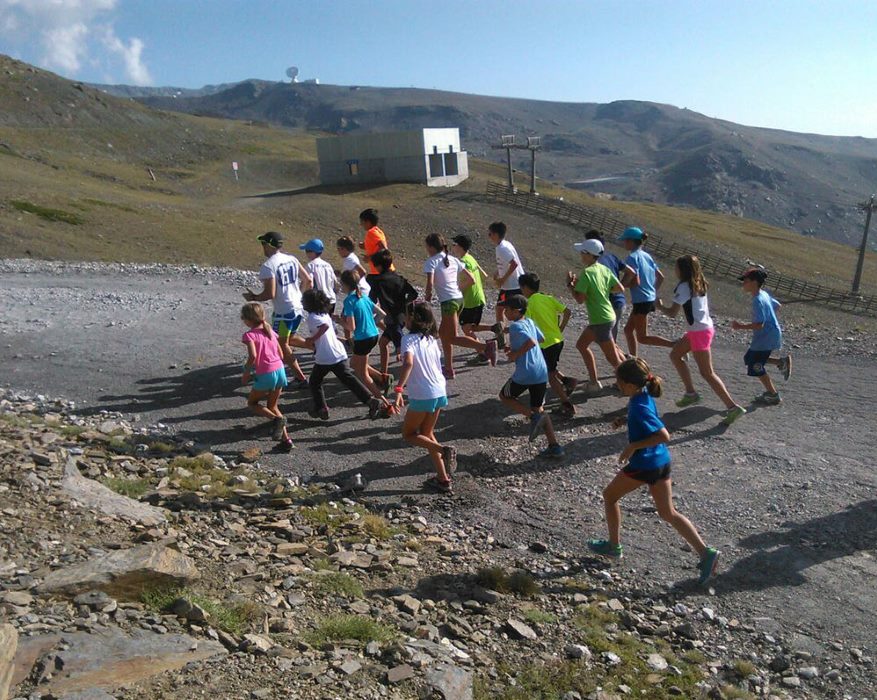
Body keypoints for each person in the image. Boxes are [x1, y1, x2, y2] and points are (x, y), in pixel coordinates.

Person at [587, 358, 720, 585]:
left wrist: (632, 446)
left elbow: (663, 435)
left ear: (629, 384)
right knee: (668, 513)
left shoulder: (638, 406)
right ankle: (706, 553)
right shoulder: (642, 396)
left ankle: (614, 546)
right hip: (661, 461)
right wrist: (625, 420)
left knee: (609, 497)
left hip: (645, 464)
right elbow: (645, 418)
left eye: (619, 381)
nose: (616, 384)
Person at [657, 255, 747, 425]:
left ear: (682, 270)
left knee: (707, 373)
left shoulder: (684, 286)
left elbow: (672, 313)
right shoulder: (700, 283)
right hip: (702, 329)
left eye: (676, 267)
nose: (674, 270)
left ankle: (733, 407)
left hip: (698, 332)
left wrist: (659, 306)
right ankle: (690, 393)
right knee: (675, 355)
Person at [289, 289, 384, 420]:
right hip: (338, 353)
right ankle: (370, 400)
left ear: (309, 304)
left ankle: (321, 408)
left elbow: (324, 328)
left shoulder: (312, 317)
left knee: (314, 382)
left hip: (325, 356)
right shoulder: (324, 314)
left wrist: (312, 339)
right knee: (349, 380)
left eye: (304, 301)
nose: (302, 303)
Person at [394, 302, 456, 493]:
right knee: (427, 434)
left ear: (413, 318)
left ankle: (444, 450)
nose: (404, 318)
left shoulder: (408, 339)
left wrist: (398, 389)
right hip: (439, 390)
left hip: (423, 393)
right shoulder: (431, 339)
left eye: (406, 315)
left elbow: (409, 363)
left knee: (409, 434)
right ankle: (443, 479)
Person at [497, 294, 565, 458]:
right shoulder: (530, 322)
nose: (504, 312)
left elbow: (532, 342)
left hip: (526, 372)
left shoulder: (515, 327)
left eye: (507, 309)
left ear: (516, 311)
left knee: (504, 396)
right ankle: (555, 446)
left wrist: (516, 354)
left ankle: (533, 417)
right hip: (541, 371)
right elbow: (540, 338)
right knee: (539, 407)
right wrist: (514, 350)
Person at [243, 231, 312, 390]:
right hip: (297, 308)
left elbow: (270, 293)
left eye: (263, 244)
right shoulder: (292, 258)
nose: (262, 247)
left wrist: (254, 297)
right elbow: (308, 280)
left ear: (268, 245)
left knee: (281, 343)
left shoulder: (268, 266)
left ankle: (301, 378)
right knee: (290, 338)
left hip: (283, 312)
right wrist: (298, 295)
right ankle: (317, 348)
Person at [423, 233, 498, 379]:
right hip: (459, 299)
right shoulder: (453, 259)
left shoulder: (431, 262)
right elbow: (470, 278)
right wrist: (454, 287)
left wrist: (427, 298)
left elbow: (429, 283)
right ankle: (449, 369)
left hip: (449, 303)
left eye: (427, 247)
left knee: (452, 337)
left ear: (431, 247)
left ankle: (485, 347)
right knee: (445, 336)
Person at [567, 239, 626, 393]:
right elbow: (620, 288)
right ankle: (594, 382)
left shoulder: (587, 273)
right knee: (582, 345)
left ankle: (634, 383)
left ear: (588, 255)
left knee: (613, 359)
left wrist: (570, 287)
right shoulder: (603, 269)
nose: (580, 254)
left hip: (600, 319)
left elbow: (579, 299)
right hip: (607, 316)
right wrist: (601, 292)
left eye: (582, 252)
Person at [518, 272, 577, 417]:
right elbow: (568, 312)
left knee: (548, 375)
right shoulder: (548, 298)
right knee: (548, 367)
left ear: (525, 287)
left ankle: (567, 405)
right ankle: (567, 381)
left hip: (545, 344)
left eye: (521, 288)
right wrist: (561, 328)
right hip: (558, 340)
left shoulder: (529, 303)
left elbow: (528, 326)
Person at [731, 267, 791, 405]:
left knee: (755, 365)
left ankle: (773, 394)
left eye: (745, 281)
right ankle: (781, 362)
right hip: (769, 335)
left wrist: (740, 326)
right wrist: (768, 311)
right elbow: (778, 306)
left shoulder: (758, 300)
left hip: (766, 337)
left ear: (754, 282)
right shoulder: (763, 294)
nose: (743, 283)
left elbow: (759, 324)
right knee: (749, 358)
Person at [239, 302, 292, 449]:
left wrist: (246, 374)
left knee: (252, 403)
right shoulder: (270, 332)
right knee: (273, 405)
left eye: (243, 317)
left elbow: (252, 356)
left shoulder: (249, 335)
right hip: (280, 371)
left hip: (266, 373)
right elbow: (281, 354)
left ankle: (276, 420)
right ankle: (286, 440)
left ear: (248, 319)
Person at [340, 269, 393, 409]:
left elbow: (350, 327)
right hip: (373, 335)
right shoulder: (363, 296)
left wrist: (338, 321)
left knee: (361, 373)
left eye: (341, 284)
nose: (340, 286)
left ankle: (382, 401)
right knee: (354, 364)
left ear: (346, 285)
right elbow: (382, 314)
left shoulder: (348, 301)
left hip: (363, 339)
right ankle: (383, 378)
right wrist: (370, 324)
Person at [617, 227, 674, 357]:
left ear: (632, 241)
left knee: (642, 337)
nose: (624, 243)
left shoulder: (632, 257)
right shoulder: (647, 256)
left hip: (642, 300)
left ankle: (675, 344)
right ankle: (634, 359)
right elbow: (660, 277)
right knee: (628, 330)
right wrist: (652, 292)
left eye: (625, 240)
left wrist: (617, 287)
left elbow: (632, 278)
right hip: (646, 299)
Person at [451, 234, 504, 364]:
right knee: (471, 326)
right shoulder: (470, 257)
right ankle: (493, 328)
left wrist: (457, 290)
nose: (452, 246)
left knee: (466, 329)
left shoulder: (463, 262)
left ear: (460, 247)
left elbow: (471, 280)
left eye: (454, 244)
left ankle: (483, 354)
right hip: (479, 298)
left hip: (470, 301)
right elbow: (483, 274)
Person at [367, 249, 419, 377]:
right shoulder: (399, 278)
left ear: (378, 266)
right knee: (383, 343)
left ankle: (413, 374)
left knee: (402, 351)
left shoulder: (377, 282)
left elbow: (371, 301)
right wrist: (405, 303)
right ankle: (384, 373)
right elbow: (414, 293)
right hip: (401, 316)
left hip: (391, 319)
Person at [585, 229, 633, 342]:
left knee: (608, 344)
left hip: (608, 305)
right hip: (619, 302)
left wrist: (613, 289)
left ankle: (623, 359)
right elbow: (631, 272)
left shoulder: (596, 263)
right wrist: (620, 287)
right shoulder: (611, 257)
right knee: (607, 341)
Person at [488, 221, 525, 327]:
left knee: (514, 311)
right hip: (507, 287)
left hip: (513, 286)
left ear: (495, 234)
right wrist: (497, 272)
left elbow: (514, 264)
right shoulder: (503, 245)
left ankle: (515, 331)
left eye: (490, 234)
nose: (489, 237)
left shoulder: (502, 248)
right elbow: (505, 262)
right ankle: (501, 333)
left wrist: (503, 279)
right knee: (500, 308)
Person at [300, 238, 338, 314]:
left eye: (307, 251)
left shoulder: (310, 266)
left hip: (319, 301)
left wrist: (301, 295)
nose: (306, 253)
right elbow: (335, 283)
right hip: (331, 300)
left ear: (312, 252)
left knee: (317, 324)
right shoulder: (328, 265)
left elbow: (309, 283)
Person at [359, 208, 393, 274]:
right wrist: (365, 245)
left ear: (368, 222)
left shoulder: (372, 232)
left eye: (362, 222)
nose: (361, 224)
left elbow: (384, 249)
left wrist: (370, 258)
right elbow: (377, 247)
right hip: (384, 271)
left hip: (382, 272)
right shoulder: (377, 231)